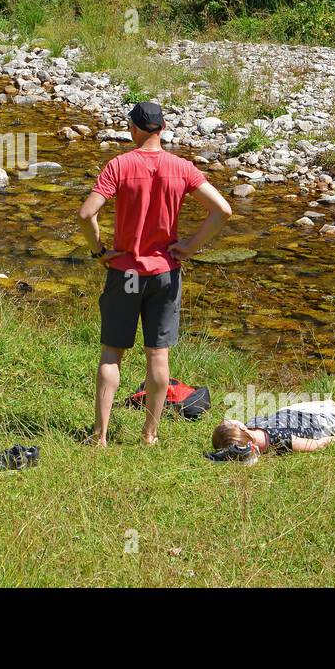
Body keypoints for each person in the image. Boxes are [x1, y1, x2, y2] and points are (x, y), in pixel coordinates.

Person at [78, 101, 233, 446]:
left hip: (127, 274)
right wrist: (191, 246)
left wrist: (100, 251)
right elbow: (223, 210)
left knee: (111, 353)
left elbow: (86, 214)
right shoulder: (181, 167)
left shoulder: (120, 164)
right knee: (158, 355)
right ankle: (150, 434)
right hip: (165, 274)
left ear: (134, 129)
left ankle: (100, 436)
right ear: (162, 129)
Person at [211, 393, 335, 456]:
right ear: (240, 429)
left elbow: (230, 434)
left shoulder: (251, 432)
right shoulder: (279, 441)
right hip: (320, 423)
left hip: (298, 414)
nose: (228, 419)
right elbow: (318, 445)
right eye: (230, 422)